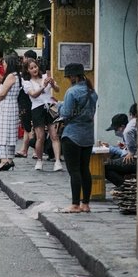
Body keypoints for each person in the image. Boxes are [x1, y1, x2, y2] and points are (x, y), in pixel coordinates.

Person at [57, 63, 99, 213]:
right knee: (84, 170)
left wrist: (59, 105)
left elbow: (66, 113)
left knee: (74, 171)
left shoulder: (72, 92)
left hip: (72, 134)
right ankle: (85, 204)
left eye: (69, 77)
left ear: (74, 77)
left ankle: (75, 204)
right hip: (87, 135)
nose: (68, 79)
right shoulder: (92, 92)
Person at [22, 58, 62, 172]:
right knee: (40, 137)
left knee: (54, 135)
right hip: (37, 108)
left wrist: (53, 84)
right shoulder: (27, 82)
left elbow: (58, 90)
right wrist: (43, 86)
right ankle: (39, 160)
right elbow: (33, 95)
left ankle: (58, 161)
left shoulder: (45, 76)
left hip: (50, 106)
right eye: (31, 68)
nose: (34, 69)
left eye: (35, 67)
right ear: (27, 70)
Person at [0, 54, 22, 171]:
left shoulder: (11, 76)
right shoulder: (18, 76)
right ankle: (10, 159)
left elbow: (3, 93)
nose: (4, 66)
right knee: (11, 133)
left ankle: (4, 160)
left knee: (0, 132)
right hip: (13, 106)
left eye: (5, 63)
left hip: (6, 105)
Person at [105, 104, 138, 188]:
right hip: (135, 157)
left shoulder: (130, 126)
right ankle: (125, 186)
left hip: (135, 160)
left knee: (104, 166)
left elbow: (127, 153)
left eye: (116, 129)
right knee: (111, 161)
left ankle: (125, 187)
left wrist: (131, 152)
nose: (115, 132)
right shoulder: (137, 124)